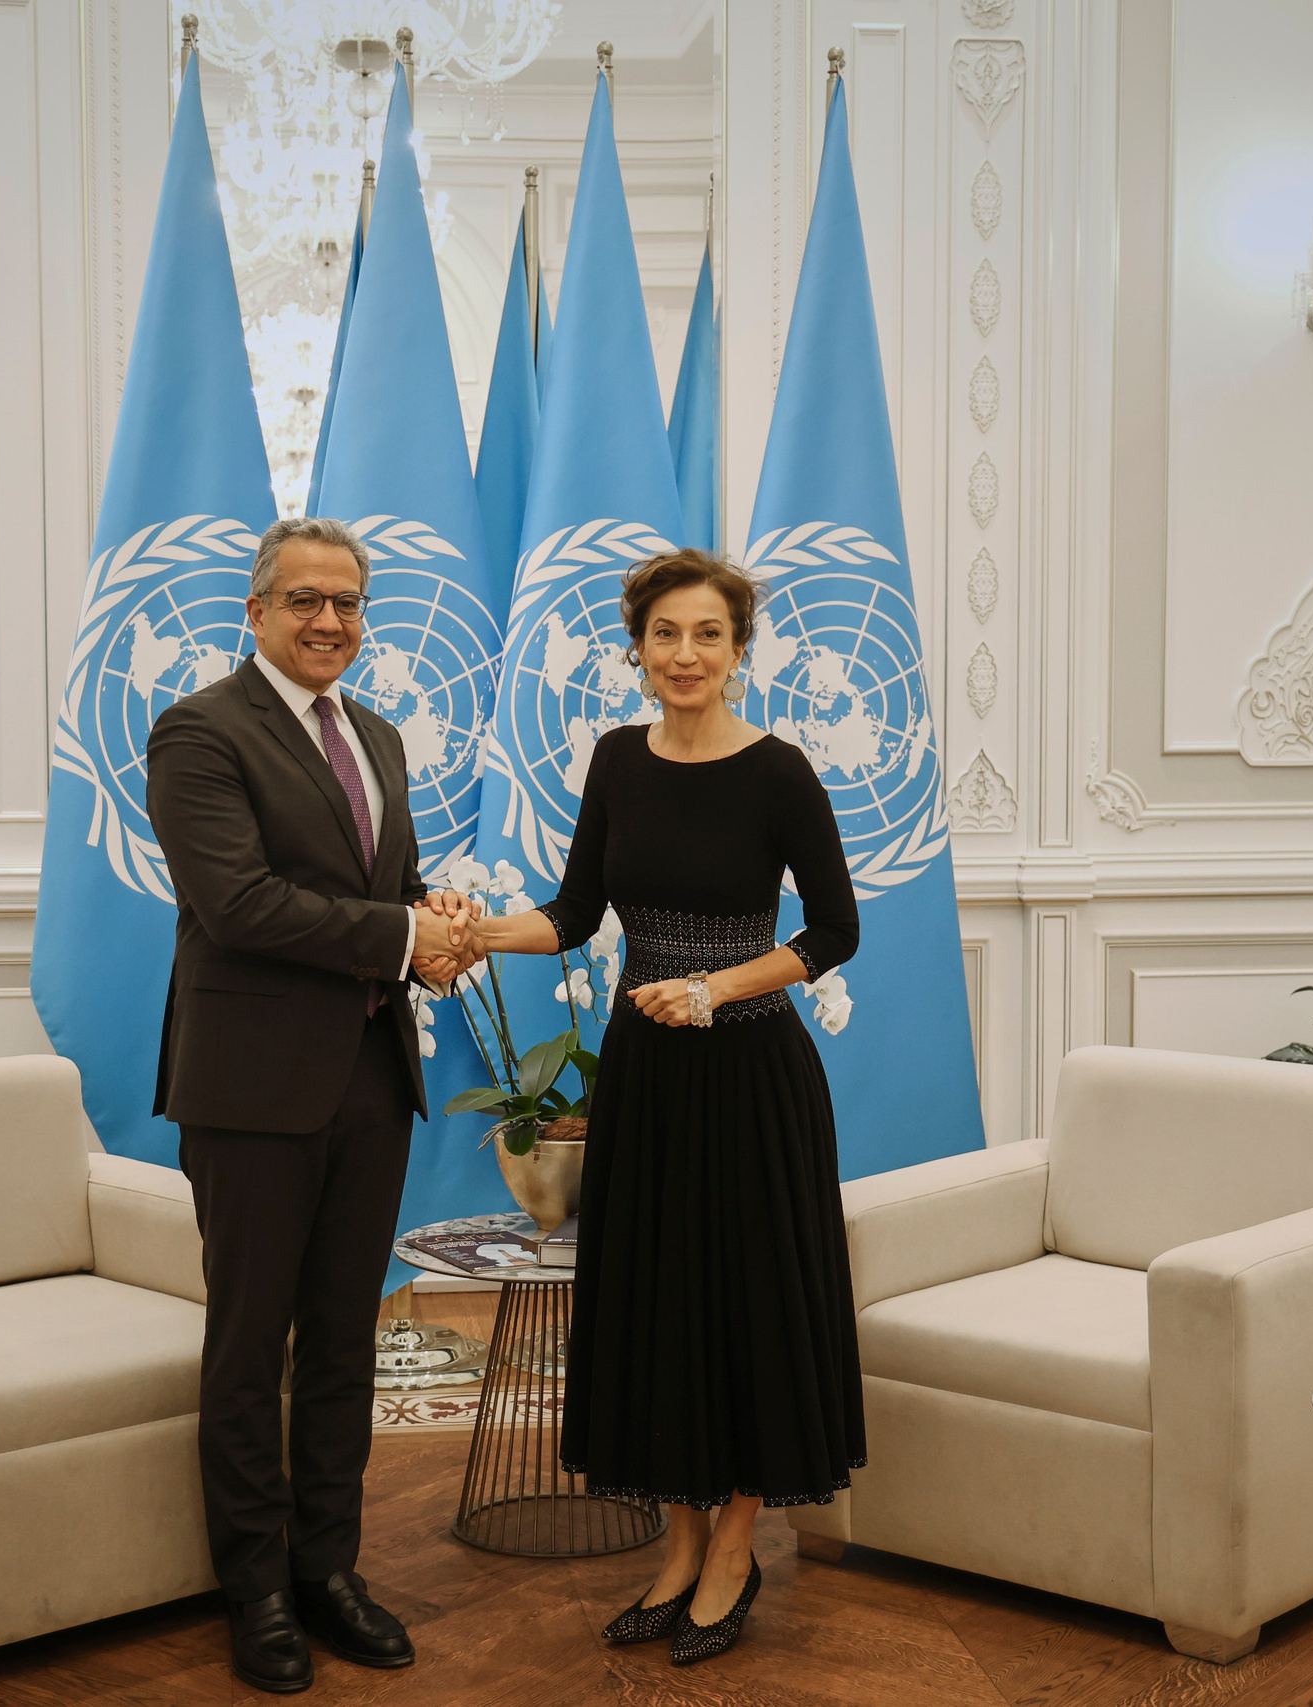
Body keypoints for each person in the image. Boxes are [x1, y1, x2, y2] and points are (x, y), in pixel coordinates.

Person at [429, 548, 865, 1666]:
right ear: (636, 649)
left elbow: (832, 933)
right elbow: (575, 914)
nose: (685, 655)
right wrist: (474, 933)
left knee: (740, 1306)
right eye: (665, 634)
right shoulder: (618, 761)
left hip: (752, 1078)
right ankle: (676, 1547)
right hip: (647, 1078)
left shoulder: (780, 773)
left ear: (737, 648)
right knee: (658, 1305)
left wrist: (716, 988)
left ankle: (733, 1549)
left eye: (707, 634)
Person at [145, 515, 473, 1695]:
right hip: (250, 1092)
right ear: (256, 611)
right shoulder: (199, 733)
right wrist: (401, 936)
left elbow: (384, 884)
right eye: (303, 601)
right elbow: (238, 904)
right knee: (248, 1351)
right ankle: (255, 1592)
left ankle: (328, 1570)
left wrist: (441, 921)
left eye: (346, 602)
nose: (328, 621)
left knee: (344, 1346)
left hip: (371, 1081)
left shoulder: (375, 735)